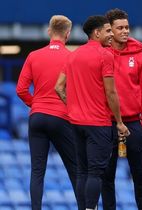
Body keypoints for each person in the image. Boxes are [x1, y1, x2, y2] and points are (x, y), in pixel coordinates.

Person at [54, 15, 130, 210]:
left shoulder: (73, 55)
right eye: (108, 30)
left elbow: (59, 87)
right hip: (98, 123)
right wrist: (120, 122)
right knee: (96, 173)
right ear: (97, 33)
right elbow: (111, 92)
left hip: (76, 122)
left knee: (82, 172)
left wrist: (72, 106)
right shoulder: (105, 55)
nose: (111, 34)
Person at [15, 15, 78, 210]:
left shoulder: (34, 55)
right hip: (61, 117)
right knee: (75, 169)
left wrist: (37, 104)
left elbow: (21, 89)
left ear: (49, 31)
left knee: (37, 171)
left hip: (37, 116)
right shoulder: (71, 57)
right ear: (68, 34)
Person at [101, 8, 142, 210]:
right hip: (106, 123)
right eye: (119, 28)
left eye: (127, 27)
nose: (125, 31)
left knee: (140, 175)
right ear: (109, 30)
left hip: (133, 123)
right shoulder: (102, 54)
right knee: (106, 177)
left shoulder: (140, 56)